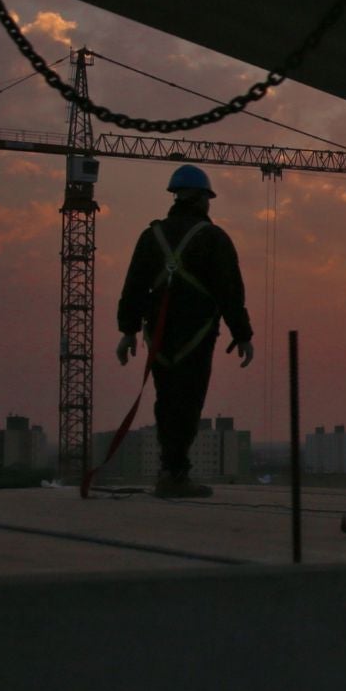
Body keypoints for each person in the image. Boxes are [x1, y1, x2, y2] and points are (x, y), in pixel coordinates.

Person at [115, 164, 253, 498]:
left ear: (175, 197)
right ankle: (176, 475)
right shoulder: (213, 238)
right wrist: (243, 333)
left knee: (166, 402)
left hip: (159, 336)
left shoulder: (152, 236)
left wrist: (128, 331)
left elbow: (133, 287)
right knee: (188, 402)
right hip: (197, 334)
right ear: (204, 199)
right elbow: (229, 290)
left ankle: (169, 470)